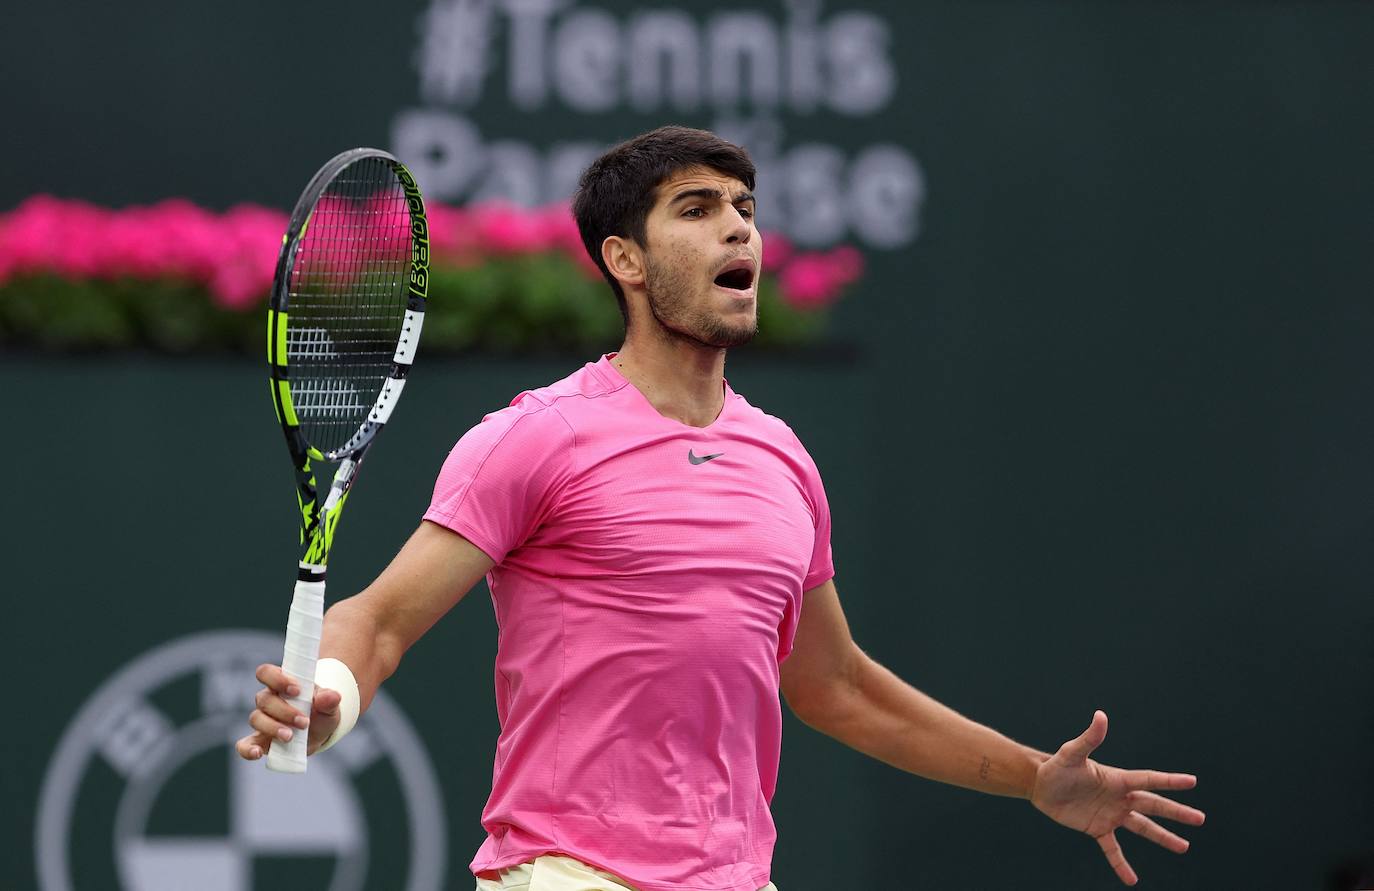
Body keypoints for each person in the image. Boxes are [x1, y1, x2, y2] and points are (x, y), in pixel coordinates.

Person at [236, 126, 1204, 891]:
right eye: (697, 211)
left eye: (745, 208)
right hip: (572, 877)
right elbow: (382, 619)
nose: (740, 228)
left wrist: (1037, 778)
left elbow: (838, 688)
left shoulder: (782, 460)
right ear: (624, 258)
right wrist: (333, 696)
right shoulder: (537, 438)